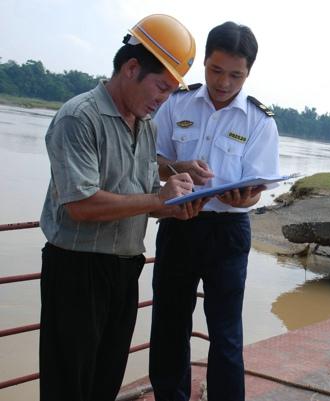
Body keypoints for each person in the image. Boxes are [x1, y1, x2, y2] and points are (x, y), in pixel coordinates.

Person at [39, 14, 208, 401]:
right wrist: (157, 199)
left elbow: (146, 195)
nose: (163, 100)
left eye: (169, 92)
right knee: (69, 384)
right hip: (77, 270)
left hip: (124, 268)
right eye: (160, 87)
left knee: (105, 381)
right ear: (131, 68)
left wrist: (176, 205)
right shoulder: (79, 118)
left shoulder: (145, 126)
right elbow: (80, 205)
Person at [149, 21, 280, 401]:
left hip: (229, 231)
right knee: (169, 324)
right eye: (216, 70)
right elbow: (150, 160)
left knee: (225, 332)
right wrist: (179, 167)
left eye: (235, 75)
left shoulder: (259, 120)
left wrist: (247, 199)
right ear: (203, 63)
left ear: (249, 73)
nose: (224, 83)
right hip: (179, 223)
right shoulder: (177, 102)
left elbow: (257, 186)